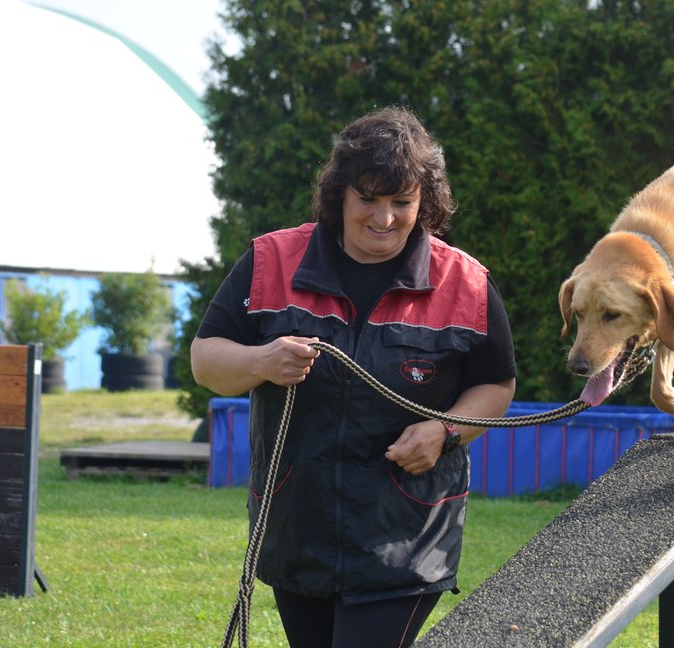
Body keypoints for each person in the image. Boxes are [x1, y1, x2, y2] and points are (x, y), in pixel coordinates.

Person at [191, 106, 517, 648]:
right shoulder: (271, 260)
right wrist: (262, 362)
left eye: (401, 202)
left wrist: (444, 431)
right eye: (368, 198)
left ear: (425, 203)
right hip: (299, 525)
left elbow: (496, 386)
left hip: (407, 532)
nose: (383, 218)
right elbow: (206, 361)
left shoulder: (466, 282)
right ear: (340, 193)